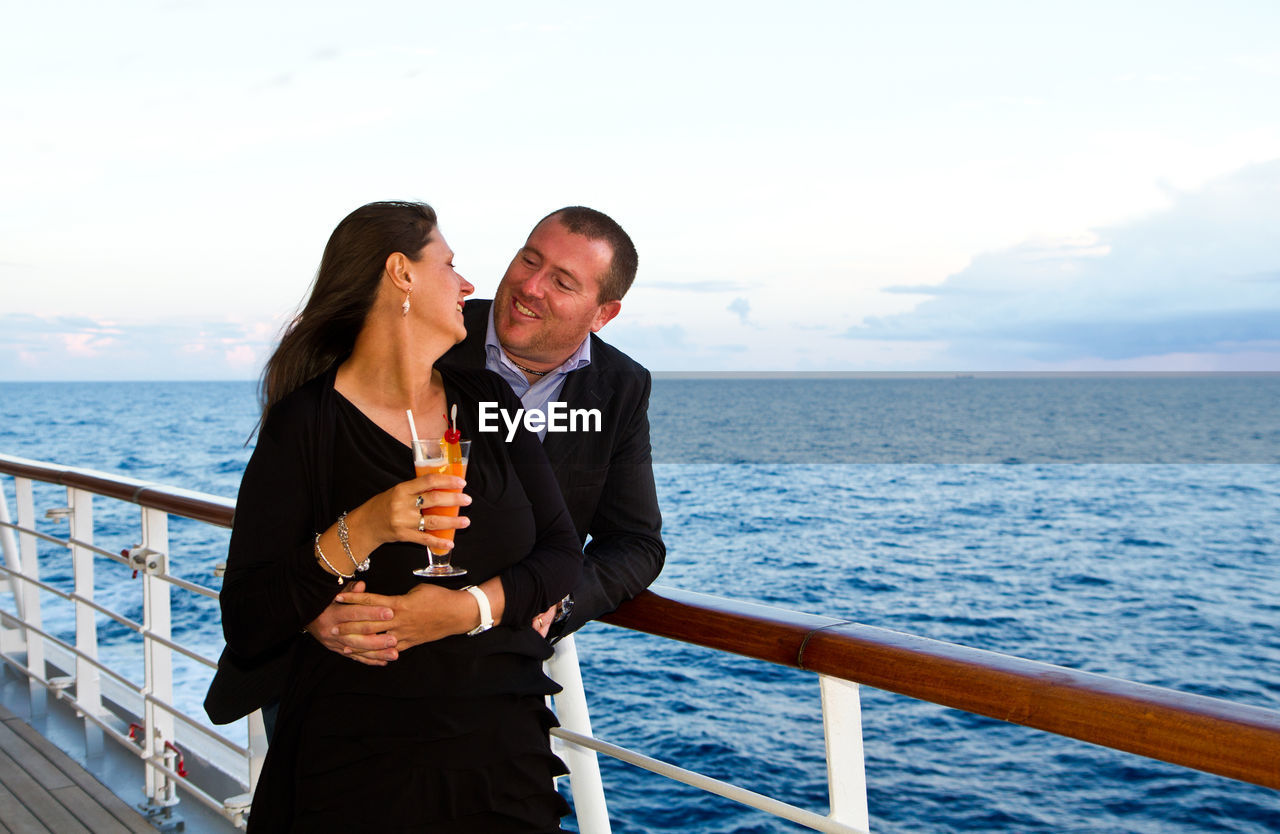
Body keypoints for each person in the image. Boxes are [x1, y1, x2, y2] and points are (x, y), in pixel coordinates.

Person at [214, 201, 582, 832]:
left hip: (503, 757)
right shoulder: (307, 423)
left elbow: (561, 553)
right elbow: (248, 617)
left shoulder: (490, 400)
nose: (469, 286)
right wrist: (365, 529)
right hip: (361, 764)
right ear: (400, 273)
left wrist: (467, 610)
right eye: (450, 263)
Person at [312, 206, 664, 663]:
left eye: (562, 281)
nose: (531, 286)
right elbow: (306, 484)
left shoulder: (621, 385)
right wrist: (311, 606)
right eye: (529, 260)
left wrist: (556, 598)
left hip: (502, 660)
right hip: (360, 648)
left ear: (603, 314)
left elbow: (636, 542)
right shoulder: (427, 329)